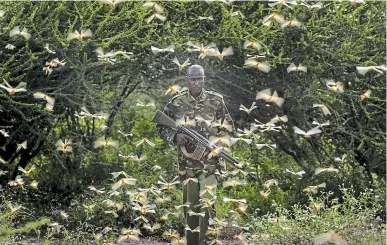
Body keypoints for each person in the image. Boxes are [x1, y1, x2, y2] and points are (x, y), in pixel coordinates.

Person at [157, 64, 234, 245]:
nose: (197, 82)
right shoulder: (176, 102)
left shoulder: (216, 101)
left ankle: (206, 242)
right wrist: (176, 136)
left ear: (204, 79)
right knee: (190, 207)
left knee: (207, 204)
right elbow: (162, 126)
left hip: (210, 163)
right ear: (187, 80)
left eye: (200, 79)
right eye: (193, 79)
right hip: (187, 165)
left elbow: (228, 127)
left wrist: (216, 141)